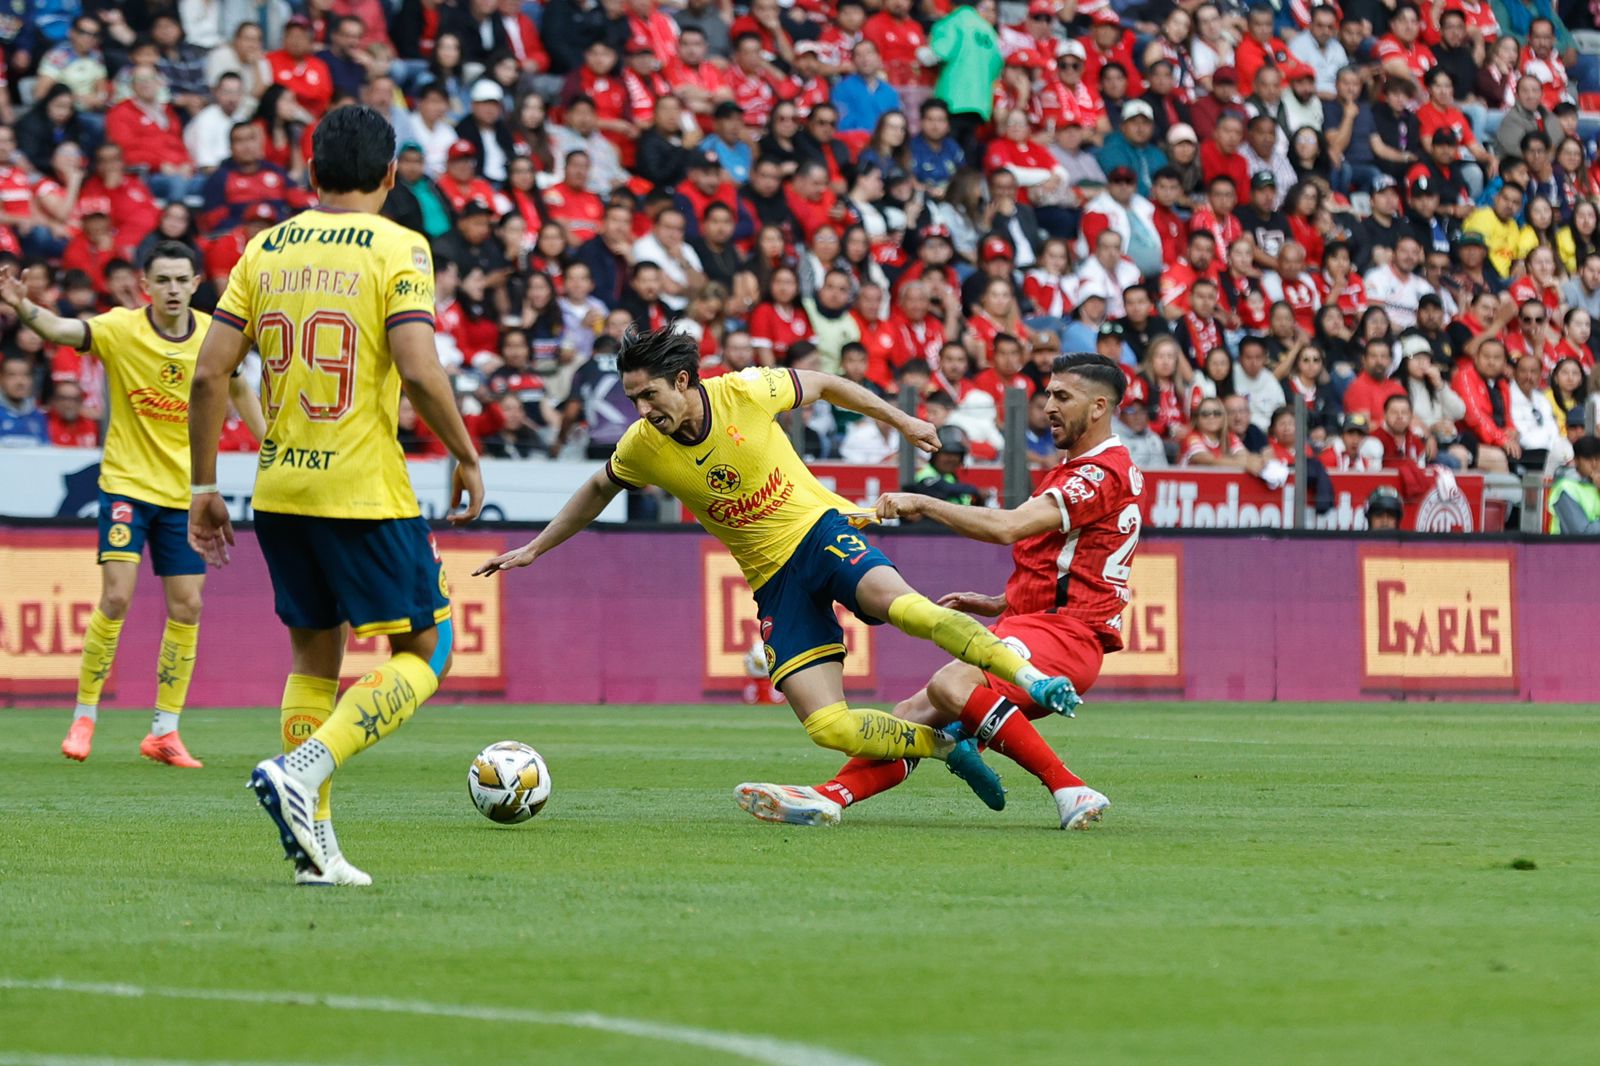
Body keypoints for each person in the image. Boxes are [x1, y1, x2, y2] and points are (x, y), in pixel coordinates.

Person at [475, 327, 1084, 785]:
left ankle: (1029, 676)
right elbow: (597, 490)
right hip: (773, 580)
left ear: (683, 382)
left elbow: (821, 384)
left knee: (910, 611)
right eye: (633, 398)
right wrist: (534, 548)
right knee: (828, 727)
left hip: (820, 531)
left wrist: (902, 419)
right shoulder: (642, 446)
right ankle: (946, 747)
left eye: (649, 394)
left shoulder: (743, 392)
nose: (641, 411)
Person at [187, 106, 487, 887]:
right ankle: (306, 767)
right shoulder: (400, 245)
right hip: (361, 486)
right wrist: (465, 452)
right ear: (391, 176)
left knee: (315, 656)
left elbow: (209, 371)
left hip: (279, 486)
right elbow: (419, 369)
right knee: (430, 647)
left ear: (311, 173)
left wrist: (202, 487)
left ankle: (315, 849)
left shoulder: (263, 248)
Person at [736, 353, 1136, 830]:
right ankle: (829, 798)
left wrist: (922, 502)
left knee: (951, 685)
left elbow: (1008, 527)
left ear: (1098, 407)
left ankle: (1068, 787)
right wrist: (999, 602)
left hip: (1065, 636)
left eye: (1061, 396)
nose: (1047, 405)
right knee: (911, 713)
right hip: (1040, 622)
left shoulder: (1096, 473)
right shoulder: (1089, 470)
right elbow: (1078, 564)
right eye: (1048, 393)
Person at [0, 242, 265, 767]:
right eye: (161, 280)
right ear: (145, 285)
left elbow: (238, 391)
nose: (171, 289)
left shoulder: (215, 336)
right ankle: (85, 715)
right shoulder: (122, 329)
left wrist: (272, 446)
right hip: (125, 485)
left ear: (194, 285)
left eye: (180, 280)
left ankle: (164, 731)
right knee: (117, 597)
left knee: (187, 605)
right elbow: (61, 331)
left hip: (185, 495)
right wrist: (22, 306)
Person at [1548, 436, 1600, 535]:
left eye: (1597, 459)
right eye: (1588, 459)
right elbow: (1581, 532)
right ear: (1576, 460)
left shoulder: (1596, 484)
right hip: (1569, 548)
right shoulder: (1566, 488)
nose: (1594, 464)